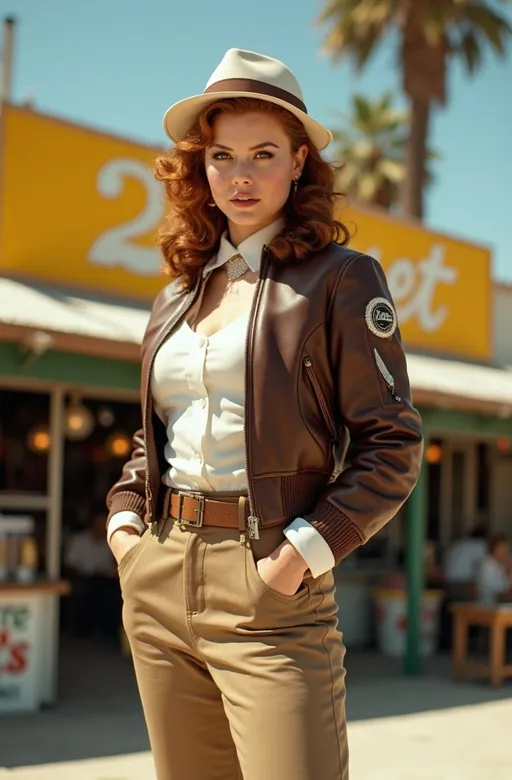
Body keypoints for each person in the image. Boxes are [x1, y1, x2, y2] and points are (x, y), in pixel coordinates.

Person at [105, 48, 423, 780]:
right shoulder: (177, 294)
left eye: (264, 154)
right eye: (222, 156)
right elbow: (153, 434)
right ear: (200, 166)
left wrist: (302, 554)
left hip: (270, 586)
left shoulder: (342, 281)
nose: (241, 176)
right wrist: (127, 523)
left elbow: (393, 442)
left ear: (300, 163)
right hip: (157, 573)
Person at [64, 508, 120, 640]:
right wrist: (81, 573)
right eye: (98, 523)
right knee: (89, 591)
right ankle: (83, 630)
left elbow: (114, 564)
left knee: (110, 593)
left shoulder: (110, 541)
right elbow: (69, 564)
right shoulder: (78, 540)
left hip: (104, 579)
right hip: (83, 577)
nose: (101, 527)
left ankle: (106, 632)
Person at [444, 524, 488, 600]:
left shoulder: (458, 544)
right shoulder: (480, 545)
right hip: (464, 582)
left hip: (448, 581)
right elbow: (486, 565)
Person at [476, 534, 512, 605]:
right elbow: (491, 586)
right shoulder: (487, 564)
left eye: (506, 547)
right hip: (489, 603)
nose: (505, 550)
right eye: (502, 547)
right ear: (494, 548)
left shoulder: (501, 564)